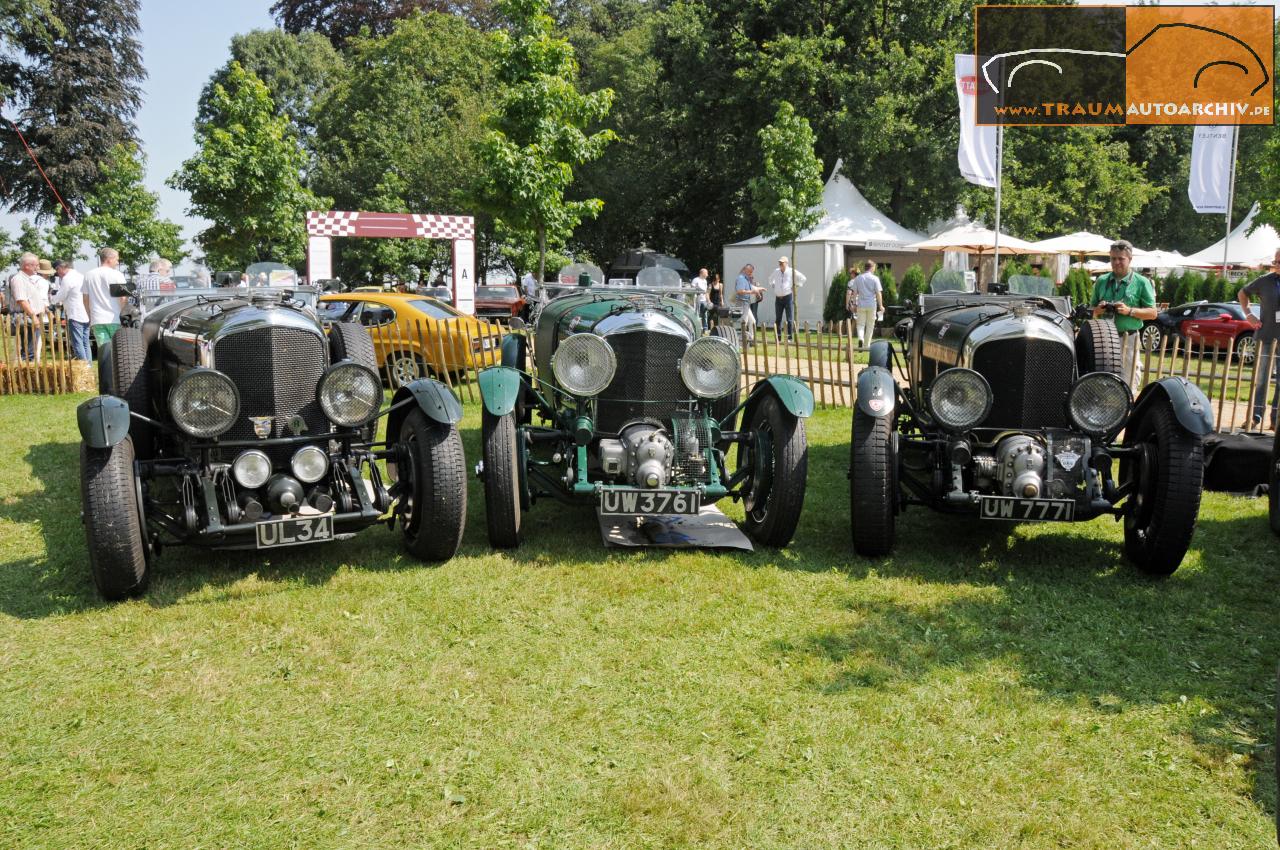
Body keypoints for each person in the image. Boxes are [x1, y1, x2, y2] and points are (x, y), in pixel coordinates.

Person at [1090, 240, 1156, 388]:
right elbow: (1091, 310)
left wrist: (1129, 311)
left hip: (1128, 338)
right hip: (1103, 339)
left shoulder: (1142, 282)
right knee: (1102, 380)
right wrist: (1097, 310)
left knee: (1128, 380)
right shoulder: (1101, 281)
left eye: (1121, 258)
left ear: (1130, 259)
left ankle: (1128, 409)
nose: (1116, 262)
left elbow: (1152, 313)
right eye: (1113, 258)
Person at [1239, 248, 1280, 429]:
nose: (1276, 265)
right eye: (1276, 262)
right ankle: (1256, 417)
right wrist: (1249, 314)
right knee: (1262, 379)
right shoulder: (1265, 281)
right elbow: (1242, 293)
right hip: (1266, 337)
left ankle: (1275, 419)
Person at [83, 247, 128, 354]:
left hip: (97, 319)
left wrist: (89, 317)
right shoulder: (117, 274)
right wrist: (124, 315)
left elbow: (85, 299)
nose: (118, 262)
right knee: (118, 352)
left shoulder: (88, 275)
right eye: (117, 259)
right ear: (109, 259)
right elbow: (123, 298)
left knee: (105, 352)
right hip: (115, 318)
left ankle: (106, 370)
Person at [9, 252, 50, 361]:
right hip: (26, 319)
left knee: (31, 351)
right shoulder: (19, 279)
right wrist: (33, 317)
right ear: (27, 266)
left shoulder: (27, 279)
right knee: (29, 353)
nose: (38, 267)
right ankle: (26, 376)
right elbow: (22, 300)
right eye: (36, 265)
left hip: (29, 318)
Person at [50, 259, 91, 361]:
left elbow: (61, 296)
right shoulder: (81, 276)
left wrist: (51, 299)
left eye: (57, 270)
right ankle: (88, 367)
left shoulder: (67, 279)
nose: (58, 274)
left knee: (78, 344)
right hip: (86, 313)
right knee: (86, 343)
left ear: (60, 268)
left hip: (75, 314)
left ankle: (84, 368)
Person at [846, 260, 884, 348]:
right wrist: (881, 305)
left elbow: (854, 292)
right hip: (871, 305)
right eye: (874, 267)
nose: (874, 269)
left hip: (861, 305)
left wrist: (854, 304)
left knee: (860, 324)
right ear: (872, 268)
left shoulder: (858, 278)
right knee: (870, 326)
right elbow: (878, 293)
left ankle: (860, 338)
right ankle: (866, 345)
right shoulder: (875, 278)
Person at [769, 255, 805, 341]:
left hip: (788, 297)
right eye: (779, 262)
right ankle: (778, 337)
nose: (780, 264)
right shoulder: (776, 271)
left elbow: (803, 278)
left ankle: (789, 337)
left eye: (782, 263)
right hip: (778, 298)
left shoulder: (791, 271)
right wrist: (774, 286)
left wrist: (796, 286)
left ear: (786, 263)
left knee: (789, 318)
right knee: (778, 318)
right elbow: (770, 279)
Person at [735, 264, 764, 344]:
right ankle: (741, 342)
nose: (751, 274)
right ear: (745, 270)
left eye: (751, 272)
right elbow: (740, 291)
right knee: (744, 322)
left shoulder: (745, 279)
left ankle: (751, 340)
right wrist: (752, 291)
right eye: (750, 272)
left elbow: (750, 287)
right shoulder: (741, 278)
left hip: (746, 303)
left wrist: (758, 289)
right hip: (742, 302)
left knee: (753, 321)